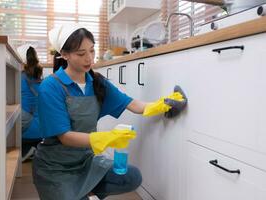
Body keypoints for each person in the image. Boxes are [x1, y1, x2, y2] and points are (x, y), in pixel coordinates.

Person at [32, 23, 187, 200]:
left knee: (132, 176)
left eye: (92, 50)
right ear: (64, 54)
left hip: (85, 162)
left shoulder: (97, 82)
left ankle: (85, 192)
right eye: (81, 54)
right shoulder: (50, 87)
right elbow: (65, 137)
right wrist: (108, 137)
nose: (89, 59)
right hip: (55, 168)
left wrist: (163, 104)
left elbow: (132, 104)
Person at [17, 44, 43, 162]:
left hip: (25, 131)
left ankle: (27, 151)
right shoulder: (40, 78)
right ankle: (34, 149)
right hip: (42, 130)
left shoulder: (18, 76)